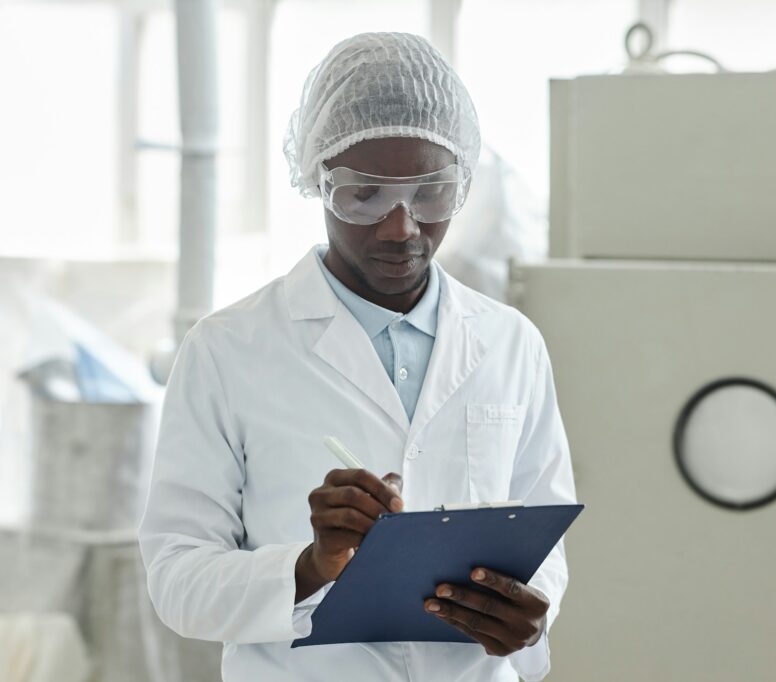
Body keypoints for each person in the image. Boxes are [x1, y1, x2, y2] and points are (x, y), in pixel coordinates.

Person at [138, 32, 576, 682]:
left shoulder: (511, 343)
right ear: (317, 181)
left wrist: (530, 618)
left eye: (429, 193)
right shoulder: (228, 351)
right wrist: (311, 567)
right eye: (364, 195)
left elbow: (544, 543)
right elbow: (177, 578)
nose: (400, 228)